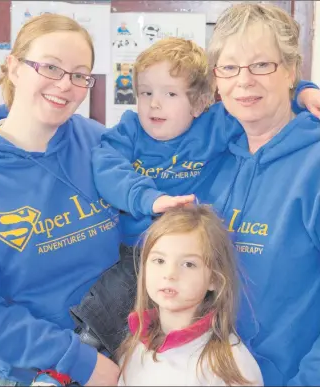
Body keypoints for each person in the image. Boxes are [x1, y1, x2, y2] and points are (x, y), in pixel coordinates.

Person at [0, 13, 127, 387]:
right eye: (50, 67)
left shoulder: (100, 142)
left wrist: (296, 94)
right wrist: (78, 361)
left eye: (80, 74)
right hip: (37, 373)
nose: (65, 85)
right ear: (14, 67)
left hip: (128, 354)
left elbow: (188, 128)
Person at [193, 3, 320, 385]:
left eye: (262, 65)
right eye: (229, 67)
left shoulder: (313, 165)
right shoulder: (214, 159)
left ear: (291, 72)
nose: (243, 81)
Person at [91, 37, 319, 247]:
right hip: (138, 248)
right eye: (146, 93)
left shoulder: (216, 124)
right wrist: (150, 199)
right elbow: (107, 167)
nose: (154, 104)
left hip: (197, 247)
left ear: (200, 104)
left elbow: (262, 98)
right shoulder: (130, 130)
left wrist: (302, 93)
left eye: (170, 94)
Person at [117, 204, 263, 386]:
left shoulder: (230, 365)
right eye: (159, 260)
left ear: (215, 279)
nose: (169, 274)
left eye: (188, 264)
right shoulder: (133, 347)